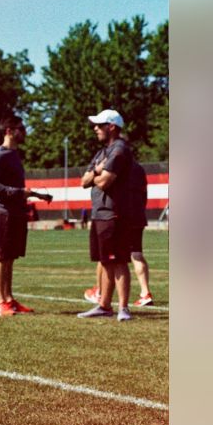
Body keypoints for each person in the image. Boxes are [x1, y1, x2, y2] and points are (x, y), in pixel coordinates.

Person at [0, 115, 53, 316]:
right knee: (2, 256)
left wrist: (37, 194)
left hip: (16, 211)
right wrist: (19, 192)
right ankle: (0, 303)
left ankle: (9, 299)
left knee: (11, 257)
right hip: (3, 212)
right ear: (9, 131)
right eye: (21, 128)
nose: (24, 132)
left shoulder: (14, 155)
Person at [77, 109, 135, 321]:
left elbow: (104, 182)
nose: (95, 129)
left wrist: (97, 173)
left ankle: (123, 308)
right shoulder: (103, 153)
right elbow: (84, 181)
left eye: (99, 125)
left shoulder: (119, 150)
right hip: (100, 214)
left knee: (118, 260)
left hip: (114, 214)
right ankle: (104, 305)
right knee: (105, 261)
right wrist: (97, 170)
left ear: (111, 127)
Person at [83, 158, 154, 307]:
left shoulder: (114, 165)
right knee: (136, 252)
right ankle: (145, 292)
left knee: (106, 255)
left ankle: (100, 292)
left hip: (117, 215)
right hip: (137, 214)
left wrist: (94, 176)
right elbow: (144, 192)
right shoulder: (139, 168)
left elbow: (102, 184)